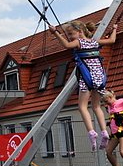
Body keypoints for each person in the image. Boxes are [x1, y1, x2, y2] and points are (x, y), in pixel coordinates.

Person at [50, 20, 117, 152]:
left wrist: (56, 33)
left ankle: (91, 132)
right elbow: (112, 40)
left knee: (82, 106)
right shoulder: (95, 42)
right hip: (100, 78)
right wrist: (114, 29)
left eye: (71, 34)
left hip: (87, 77)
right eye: (67, 34)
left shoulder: (79, 42)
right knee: (96, 106)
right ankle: (104, 131)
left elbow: (67, 45)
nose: (69, 37)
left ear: (80, 32)